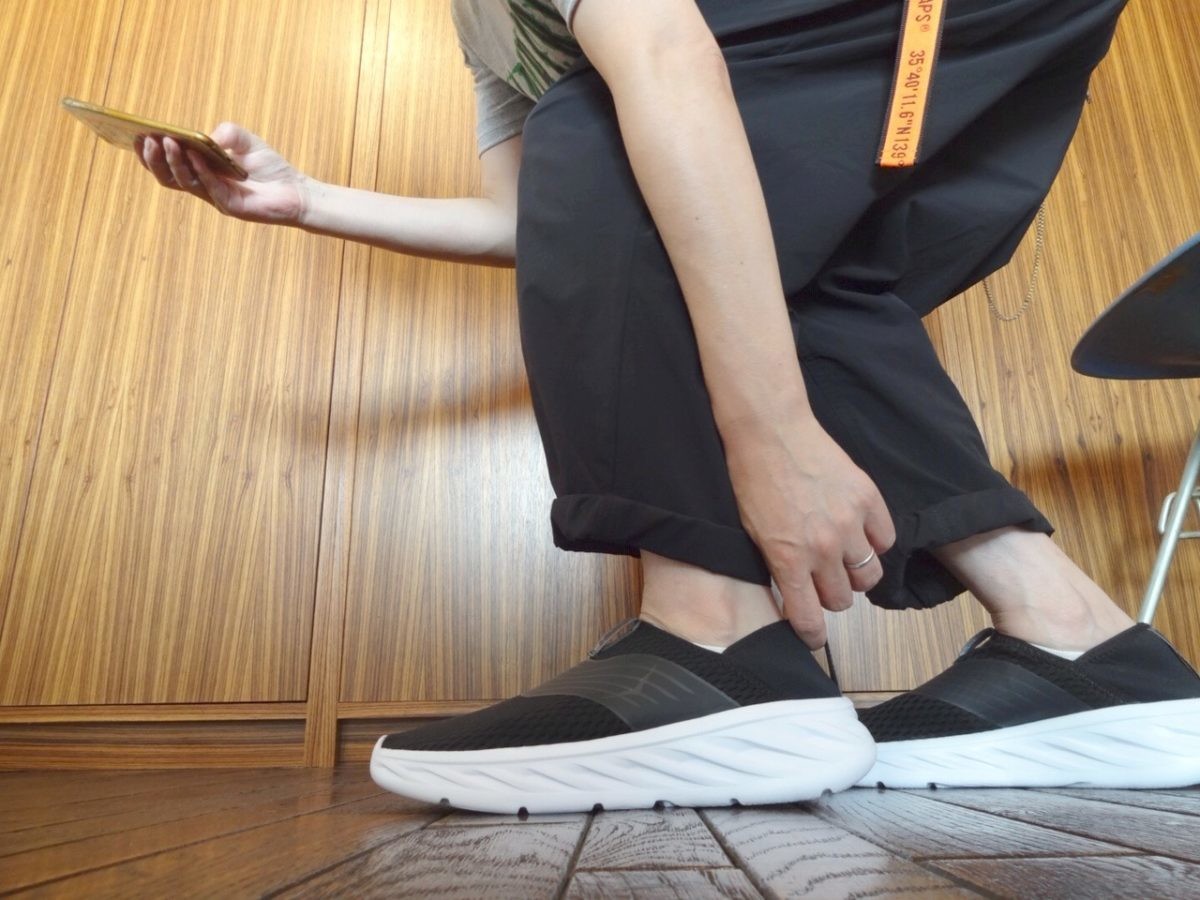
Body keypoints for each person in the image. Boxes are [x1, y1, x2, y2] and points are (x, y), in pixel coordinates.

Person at [137, 0, 1200, 814]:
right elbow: (538, 217)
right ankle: (1079, 647)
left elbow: (662, 60)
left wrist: (771, 434)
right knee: (754, 250)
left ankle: (715, 635)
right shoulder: (485, 28)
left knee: (615, 125)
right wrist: (306, 200)